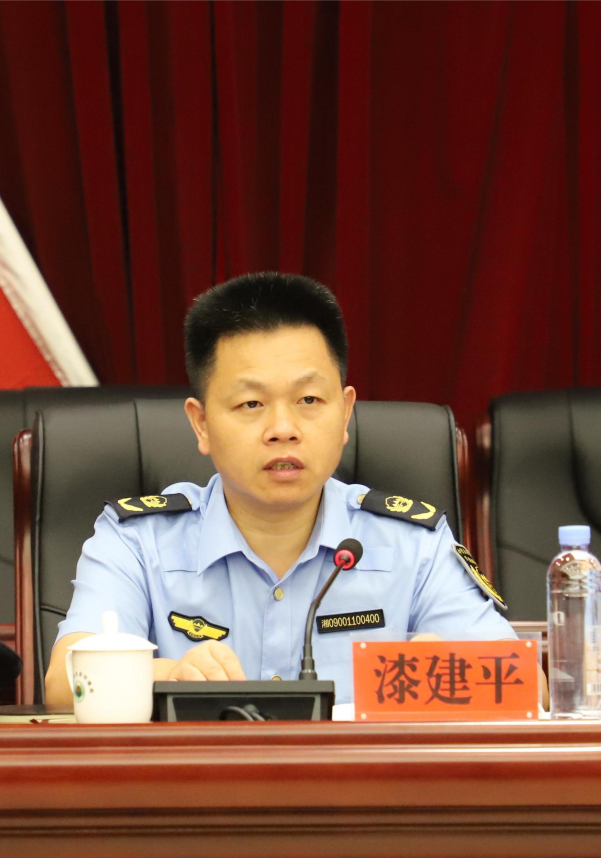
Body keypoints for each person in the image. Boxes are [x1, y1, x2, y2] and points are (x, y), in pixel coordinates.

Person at [44, 272, 517, 708]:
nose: (283, 428)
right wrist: (169, 675)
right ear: (201, 423)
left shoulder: (415, 545)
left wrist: (451, 670)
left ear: (345, 413)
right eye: (251, 403)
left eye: (308, 399)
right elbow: (65, 685)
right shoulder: (136, 541)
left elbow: (515, 684)